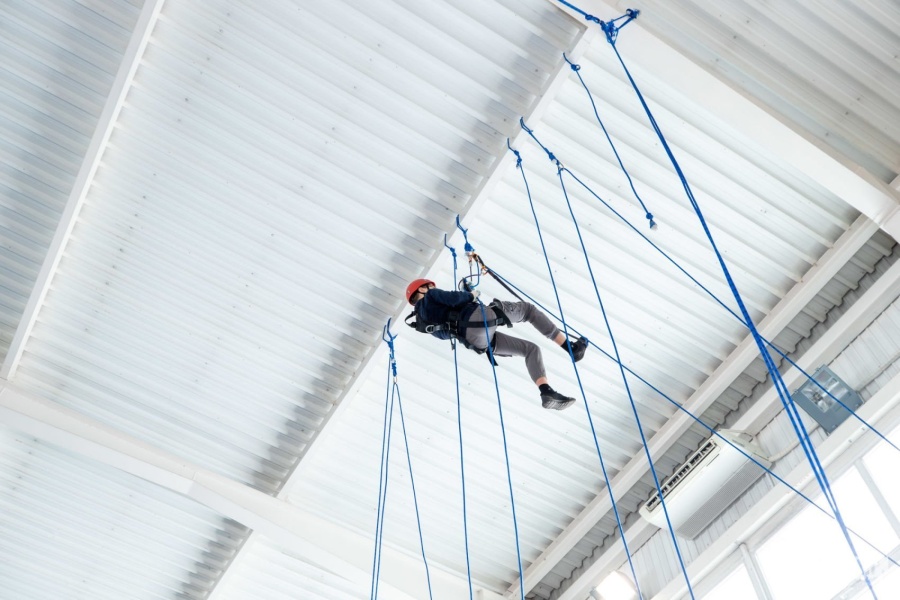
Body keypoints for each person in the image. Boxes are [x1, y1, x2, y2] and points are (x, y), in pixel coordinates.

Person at [405, 278, 588, 410]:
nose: (433, 288)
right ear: (422, 289)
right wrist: (470, 294)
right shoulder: (431, 295)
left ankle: (546, 391)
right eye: (430, 286)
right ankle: (571, 348)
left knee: (531, 349)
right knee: (528, 311)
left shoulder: (423, 325)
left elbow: (446, 333)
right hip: (480, 319)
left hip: (476, 341)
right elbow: (457, 299)